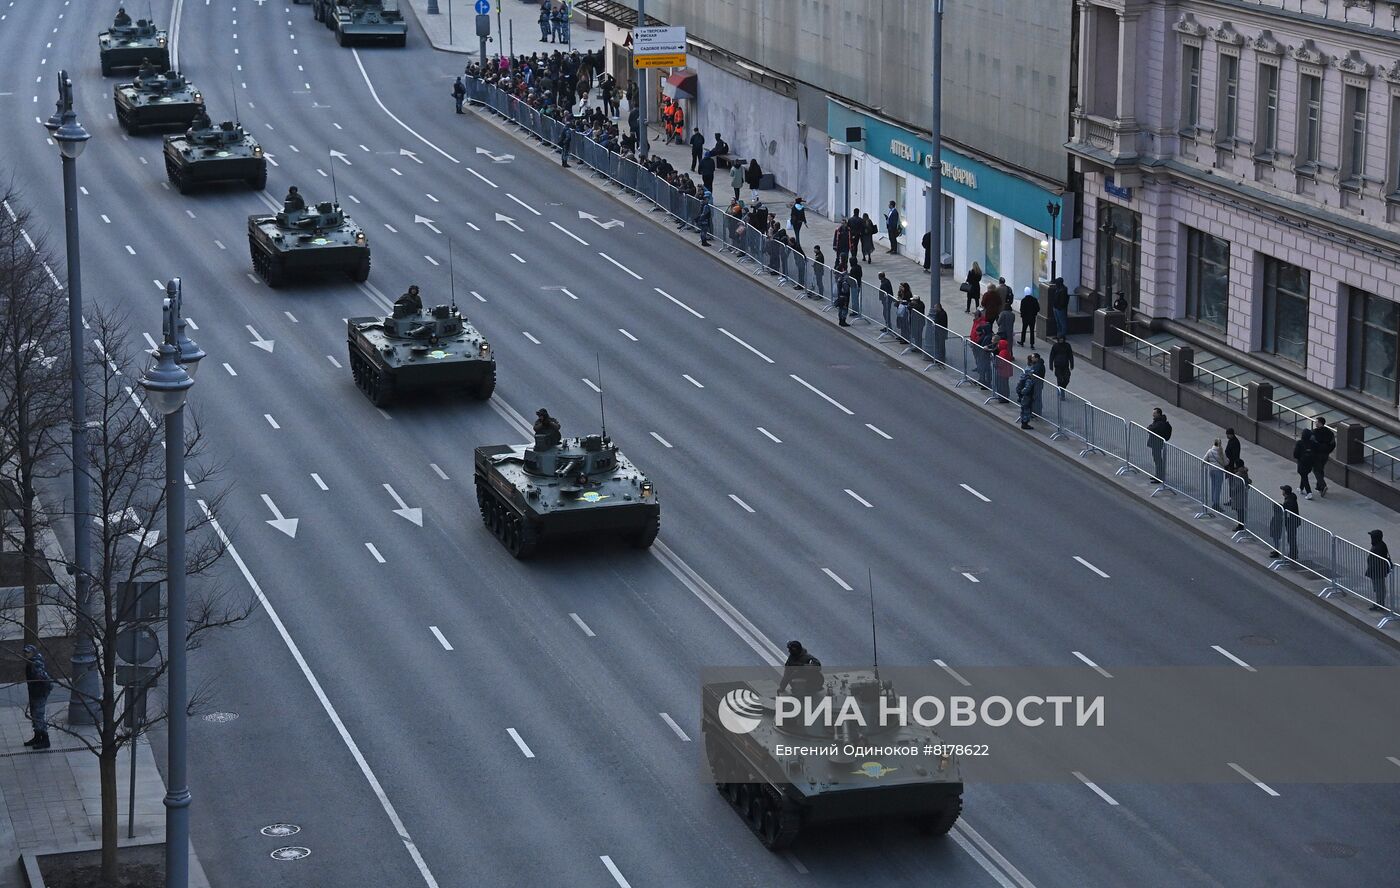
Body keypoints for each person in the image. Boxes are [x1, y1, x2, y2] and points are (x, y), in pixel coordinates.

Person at [23, 645, 52, 750]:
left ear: (33, 652)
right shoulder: (32, 661)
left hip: (39, 693)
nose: (26, 654)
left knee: (38, 716)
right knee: (34, 714)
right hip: (34, 692)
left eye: (28, 652)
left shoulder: (36, 663)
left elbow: (43, 678)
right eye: (25, 652)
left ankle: (45, 739)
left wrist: (42, 687)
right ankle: (37, 737)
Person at [1269, 485, 1300, 560]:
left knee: (1291, 538)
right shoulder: (1291, 497)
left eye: (1283, 490)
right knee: (1291, 538)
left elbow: (1287, 513)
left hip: (1291, 522)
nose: (1282, 491)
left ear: (1285, 492)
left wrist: (1282, 508)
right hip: (1293, 521)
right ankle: (1293, 553)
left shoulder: (1288, 502)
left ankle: (1293, 554)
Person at [1367, 530, 1392, 612]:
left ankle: (1380, 604)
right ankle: (1379, 603)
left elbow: (1380, 561)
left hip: (1377, 572)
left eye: (1372, 536)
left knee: (1379, 588)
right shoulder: (1379, 545)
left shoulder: (1379, 547)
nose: (1371, 538)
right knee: (1378, 587)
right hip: (1375, 571)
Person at [1310, 417, 1334, 497]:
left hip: (1317, 455)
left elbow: (1312, 443)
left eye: (1316, 422)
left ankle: (1323, 485)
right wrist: (1327, 451)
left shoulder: (1314, 432)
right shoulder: (1330, 432)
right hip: (1325, 455)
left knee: (1316, 470)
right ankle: (1319, 487)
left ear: (1320, 423)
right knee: (1321, 469)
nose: (1315, 423)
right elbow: (1333, 444)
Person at [1147, 407, 1172, 483]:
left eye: (1154, 413)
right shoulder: (1158, 421)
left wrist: (1150, 427)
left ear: (1158, 414)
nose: (1153, 414)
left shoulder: (1160, 423)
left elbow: (1150, 428)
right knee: (1156, 459)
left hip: (1157, 443)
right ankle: (1157, 475)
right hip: (1155, 443)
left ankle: (1159, 477)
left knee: (1158, 460)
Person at [1016, 356, 1039, 429]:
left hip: (1024, 395)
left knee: (1024, 408)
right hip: (1027, 396)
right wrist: (1024, 393)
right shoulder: (1028, 378)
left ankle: (1024, 422)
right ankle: (1025, 423)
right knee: (1026, 409)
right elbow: (1027, 388)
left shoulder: (1024, 375)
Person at [1293, 429, 1316, 499]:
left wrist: (1299, 457)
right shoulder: (1312, 443)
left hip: (1302, 462)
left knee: (1304, 476)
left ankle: (1309, 492)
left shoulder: (1299, 443)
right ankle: (1301, 488)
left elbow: (1296, 453)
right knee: (1304, 475)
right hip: (1310, 462)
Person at [1204, 439, 1226, 510]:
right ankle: (1216, 504)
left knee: (1213, 486)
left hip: (1211, 470)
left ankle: (1214, 502)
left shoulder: (1210, 451)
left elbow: (1204, 459)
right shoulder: (1221, 452)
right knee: (1218, 488)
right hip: (1218, 471)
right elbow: (1226, 462)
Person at [1230, 463, 1252, 531]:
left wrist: (1232, 491)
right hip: (1243, 494)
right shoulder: (1244, 472)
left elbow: (1237, 486)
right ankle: (1241, 525)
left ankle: (1240, 526)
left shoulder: (1238, 474)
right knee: (1241, 510)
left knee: (1239, 511)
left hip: (1238, 495)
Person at [993, 335, 1014, 402]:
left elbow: (1001, 363)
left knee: (1002, 384)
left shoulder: (1002, 352)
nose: (998, 346)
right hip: (1006, 371)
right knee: (1004, 384)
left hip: (1002, 372)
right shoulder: (1006, 351)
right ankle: (1004, 396)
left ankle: (1003, 397)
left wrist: (995, 364)